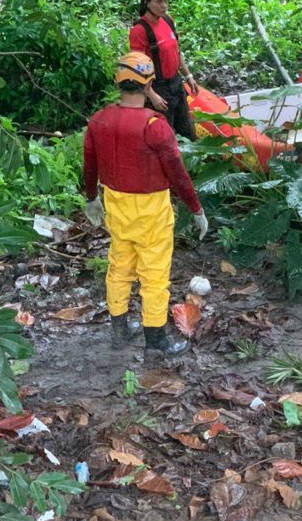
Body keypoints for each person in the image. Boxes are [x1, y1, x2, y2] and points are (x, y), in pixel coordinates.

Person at [82, 51, 209, 364]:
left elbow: (90, 162)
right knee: (154, 275)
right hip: (151, 208)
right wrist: (196, 208)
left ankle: (120, 329)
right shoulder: (155, 125)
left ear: (119, 82)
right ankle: (155, 342)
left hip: (116, 203)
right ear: (150, 84)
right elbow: (177, 173)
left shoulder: (100, 119)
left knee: (120, 266)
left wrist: (91, 196)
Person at [129, 0, 197, 140]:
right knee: (165, 138)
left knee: (187, 131)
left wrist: (188, 76)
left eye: (166, 0)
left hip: (176, 83)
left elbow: (176, 50)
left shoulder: (168, 20)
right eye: (159, 1)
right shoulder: (140, 30)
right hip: (158, 88)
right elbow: (138, 67)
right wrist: (151, 94)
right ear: (146, 2)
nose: (164, 6)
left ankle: (189, 165)